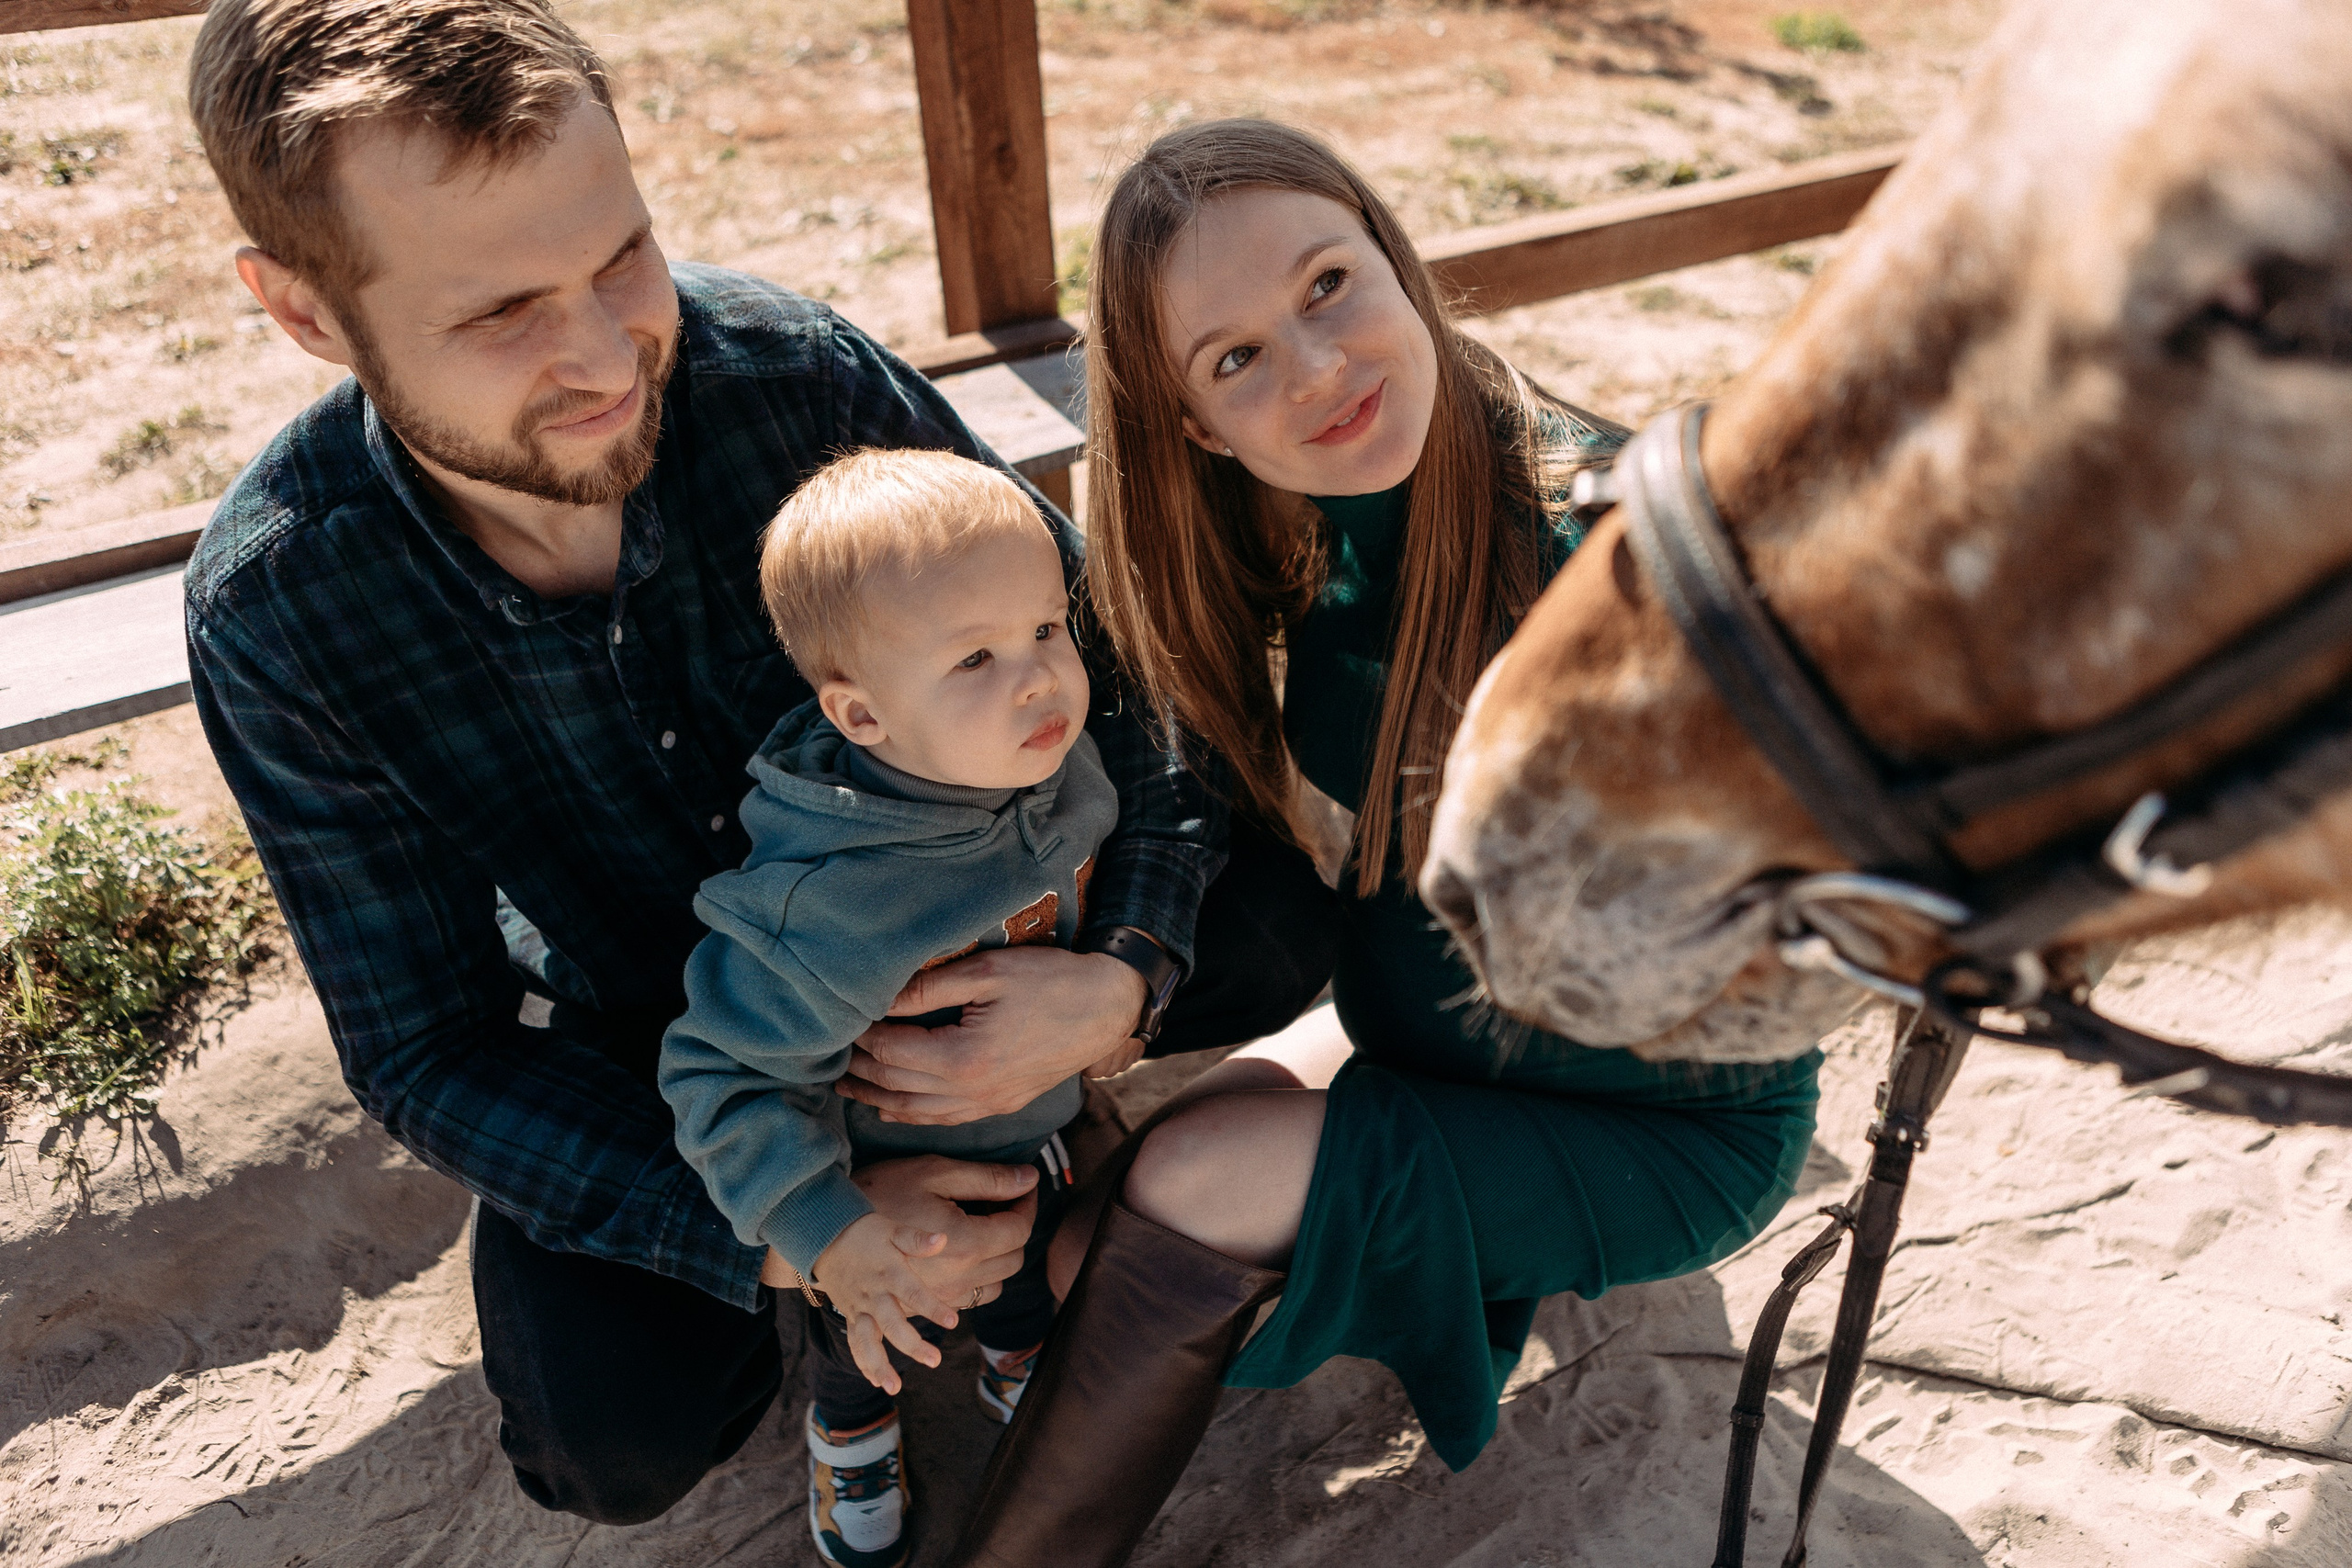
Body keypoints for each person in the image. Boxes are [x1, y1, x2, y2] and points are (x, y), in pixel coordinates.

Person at [180, 1, 1335, 1529]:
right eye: (501, 312)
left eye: (621, 258)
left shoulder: (799, 383)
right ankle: (855, 1301)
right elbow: (428, 1047)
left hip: (999, 915)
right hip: (667, 1047)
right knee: (611, 1441)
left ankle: (1058, 1146)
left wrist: (1120, 978)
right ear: (307, 313)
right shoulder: (284, 608)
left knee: (1292, 908)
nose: (604, 354)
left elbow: (1125, 687)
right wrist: (802, 1229)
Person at [949, 118, 1827, 1568]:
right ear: (1189, 424)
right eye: (1233, 359)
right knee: (1083, 1240)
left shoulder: (1614, 560)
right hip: (1414, 1030)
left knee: (1175, 1198)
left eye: (1326, 285)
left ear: (1395, 258)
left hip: (1660, 1116)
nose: (1316, 370)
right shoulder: (1289, 535)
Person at [660, 449, 1115, 1568]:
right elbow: (717, 1077)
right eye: (974, 657)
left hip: (1033, 1124)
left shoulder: (1036, 757)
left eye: (1047, 629)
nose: (1038, 680)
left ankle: (1015, 1354)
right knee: (877, 1326)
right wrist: (829, 1234)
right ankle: (853, 1426)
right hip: (878, 1183)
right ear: (862, 715)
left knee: (1024, 1263)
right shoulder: (831, 906)